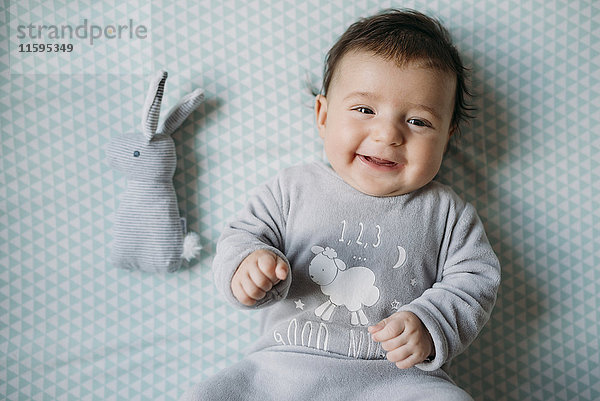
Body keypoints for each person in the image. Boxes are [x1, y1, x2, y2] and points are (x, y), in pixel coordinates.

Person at [183, 8, 500, 401]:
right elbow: (241, 236)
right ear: (323, 115)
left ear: (447, 136)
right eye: (365, 110)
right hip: (283, 366)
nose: (387, 134)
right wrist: (247, 265)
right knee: (210, 394)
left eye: (418, 121)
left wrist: (430, 321)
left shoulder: (446, 212)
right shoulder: (291, 188)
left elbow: (476, 281)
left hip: (398, 379)